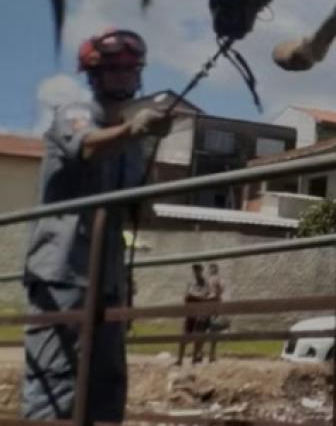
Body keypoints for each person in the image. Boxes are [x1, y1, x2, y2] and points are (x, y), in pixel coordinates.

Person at [22, 28, 170, 422]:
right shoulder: (76, 113)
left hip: (108, 279)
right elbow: (87, 145)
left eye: (131, 69)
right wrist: (135, 129)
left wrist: (148, 180)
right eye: (114, 69)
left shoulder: (132, 144)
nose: (124, 76)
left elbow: (140, 209)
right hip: (63, 274)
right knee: (56, 383)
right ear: (93, 75)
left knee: (107, 384)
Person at [177, 264, 210, 366]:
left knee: (198, 335)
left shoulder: (205, 283)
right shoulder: (191, 283)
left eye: (198, 270)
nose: (196, 272)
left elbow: (204, 295)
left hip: (200, 312)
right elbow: (186, 295)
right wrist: (192, 296)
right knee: (184, 335)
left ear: (201, 271)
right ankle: (180, 359)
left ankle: (195, 358)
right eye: (194, 270)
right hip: (190, 312)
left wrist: (193, 296)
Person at [205, 262, 227, 362]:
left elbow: (221, 289)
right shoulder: (207, 280)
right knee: (205, 327)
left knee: (214, 328)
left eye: (213, 268)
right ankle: (205, 353)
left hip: (214, 305)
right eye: (210, 268)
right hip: (208, 304)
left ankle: (212, 354)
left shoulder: (218, 279)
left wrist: (215, 296)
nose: (211, 270)